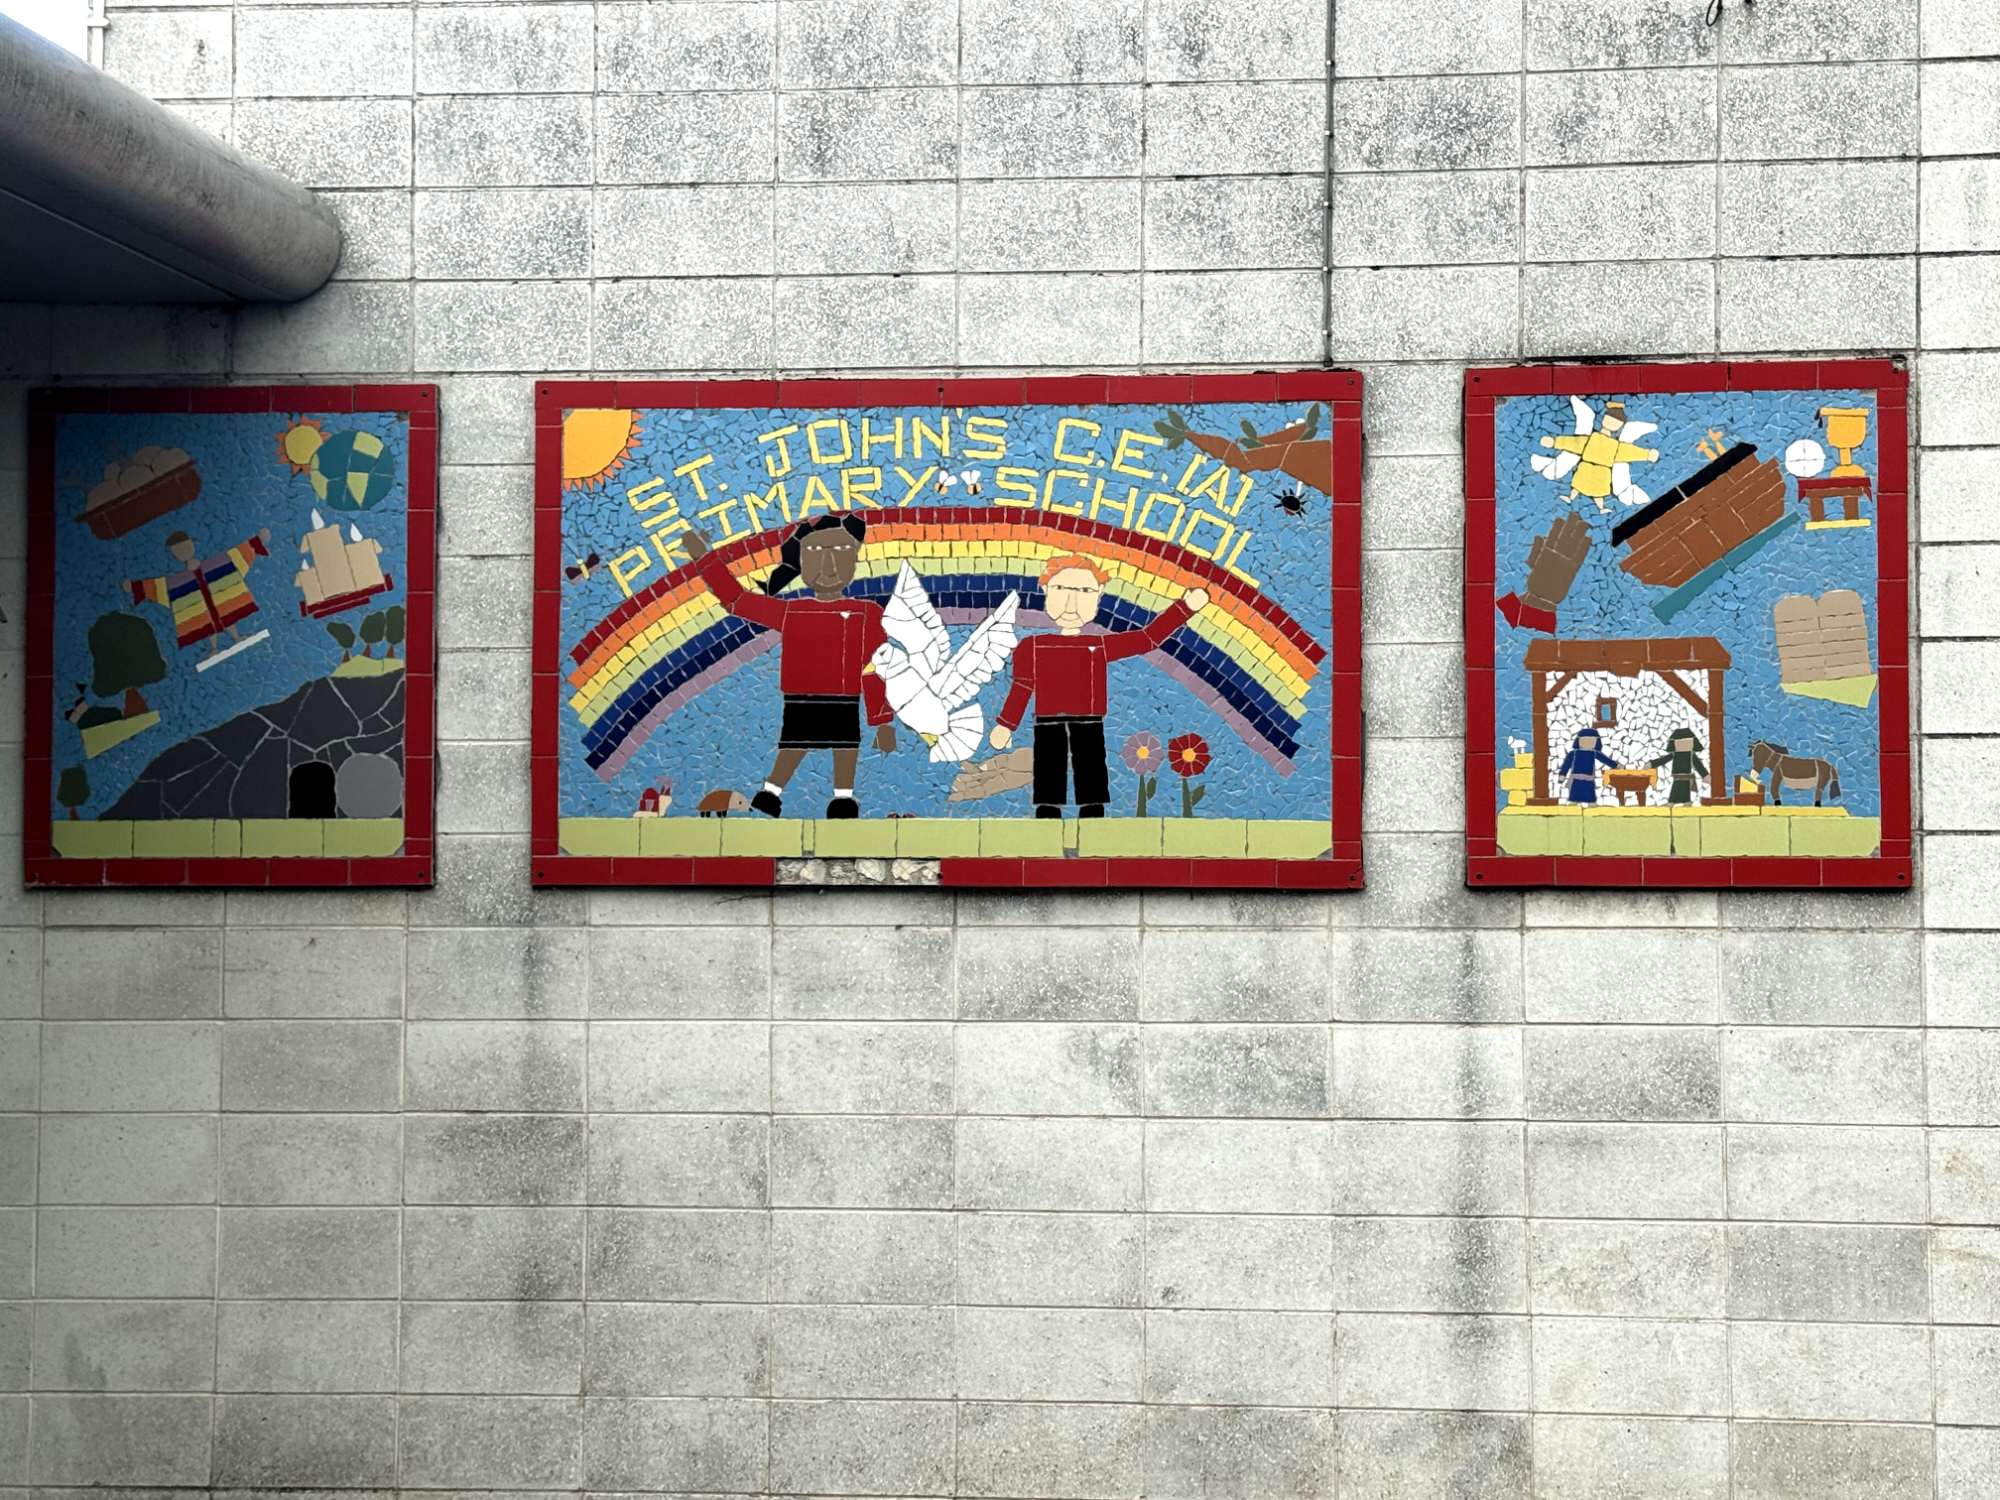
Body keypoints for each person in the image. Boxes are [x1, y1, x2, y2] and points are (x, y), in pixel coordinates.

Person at [683, 514, 896, 820]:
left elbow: (875, 668)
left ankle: (843, 800)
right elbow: (736, 601)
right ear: (798, 561)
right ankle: (771, 793)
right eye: (813, 552)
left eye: (840, 551)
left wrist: (882, 720)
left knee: (845, 745)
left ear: (855, 556)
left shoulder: (866, 613)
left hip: (845, 698)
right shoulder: (791, 610)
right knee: (794, 743)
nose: (828, 565)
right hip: (800, 697)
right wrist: (704, 559)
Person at [990, 554, 1208, 818]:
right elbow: (1022, 688)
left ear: (1098, 594)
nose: (1072, 601)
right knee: (1049, 765)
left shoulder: (1099, 645)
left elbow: (1148, 639)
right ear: (1046, 590)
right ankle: (1048, 809)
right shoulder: (1032, 647)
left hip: (1089, 720)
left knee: (1090, 765)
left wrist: (1185, 607)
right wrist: (1006, 724)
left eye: (1084, 591)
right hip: (1047, 720)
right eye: (1062, 589)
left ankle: (1092, 810)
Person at [126, 527, 271, 654]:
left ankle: (235, 637)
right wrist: (134, 587)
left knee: (228, 616)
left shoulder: (217, 563)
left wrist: (258, 540)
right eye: (178, 551)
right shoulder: (177, 581)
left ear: (192, 545)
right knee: (207, 626)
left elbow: (238, 555)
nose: (184, 552)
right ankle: (214, 648)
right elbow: (156, 587)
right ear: (174, 554)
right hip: (202, 611)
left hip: (222, 604)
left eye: (186, 547)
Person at [1556, 727, 1618, 804]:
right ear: (1578, 741)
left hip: (1589, 779)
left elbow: (1605, 760)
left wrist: (1615, 765)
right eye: (1584, 741)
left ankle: (1590, 802)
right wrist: (1562, 774)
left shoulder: (1594, 753)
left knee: (1589, 791)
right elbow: (1566, 764)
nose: (1588, 743)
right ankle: (1573, 801)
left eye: (1591, 741)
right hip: (1576, 778)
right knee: (1575, 791)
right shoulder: (1574, 753)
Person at [1649, 726, 1708, 805]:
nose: (1684, 744)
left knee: (1685, 796)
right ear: (1674, 743)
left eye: (1687, 742)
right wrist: (1652, 764)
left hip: (1686, 780)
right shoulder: (1674, 755)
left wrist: (1705, 775)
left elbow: (1698, 766)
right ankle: (1674, 803)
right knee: (1675, 793)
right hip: (1677, 779)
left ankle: (1685, 803)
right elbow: (1663, 760)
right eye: (1680, 742)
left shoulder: (1691, 756)